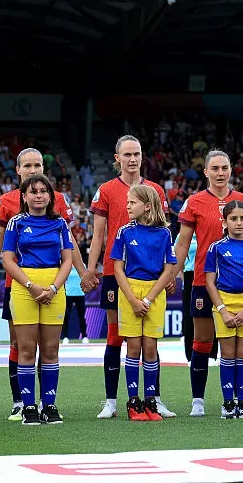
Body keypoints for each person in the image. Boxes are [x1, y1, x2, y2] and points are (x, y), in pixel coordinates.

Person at [0, 147, 89, 422]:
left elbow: (69, 247)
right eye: (27, 165)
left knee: (50, 348)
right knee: (20, 345)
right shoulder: (7, 205)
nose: (33, 170)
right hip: (19, 283)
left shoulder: (59, 209)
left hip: (53, 284)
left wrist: (83, 272)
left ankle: (48, 403)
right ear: (18, 170)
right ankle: (21, 402)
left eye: (38, 165)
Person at [86, 136, 174, 419]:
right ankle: (111, 400)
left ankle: (154, 399)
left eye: (137, 153)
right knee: (116, 336)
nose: (132, 159)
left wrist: (168, 274)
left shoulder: (156, 190)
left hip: (151, 277)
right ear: (117, 158)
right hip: (117, 275)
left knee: (150, 340)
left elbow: (164, 233)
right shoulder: (107, 190)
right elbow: (98, 235)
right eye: (127, 154)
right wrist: (90, 269)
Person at [173, 150, 243, 417]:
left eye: (224, 168)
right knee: (202, 340)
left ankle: (238, 400)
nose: (220, 173)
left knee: (237, 345)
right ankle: (198, 399)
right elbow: (184, 242)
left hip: (240, 285)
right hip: (203, 281)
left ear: (231, 171)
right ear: (206, 172)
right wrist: (172, 274)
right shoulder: (195, 202)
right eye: (215, 168)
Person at [1, 174, 74, 426]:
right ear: (24, 196)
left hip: (54, 289)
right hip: (24, 289)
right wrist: (31, 286)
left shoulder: (61, 224)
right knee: (26, 349)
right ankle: (29, 407)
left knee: (51, 350)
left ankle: (49, 405)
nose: (39, 195)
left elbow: (67, 260)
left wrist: (54, 287)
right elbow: (8, 260)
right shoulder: (15, 223)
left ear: (51, 196)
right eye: (33, 191)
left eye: (44, 191)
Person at [112, 184, 177, 421]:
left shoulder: (164, 233)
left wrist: (149, 298)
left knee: (151, 348)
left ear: (147, 206)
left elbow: (169, 267)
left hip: (154, 292)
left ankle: (151, 401)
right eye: (127, 202)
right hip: (130, 290)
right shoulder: (124, 232)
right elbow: (117, 267)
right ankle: (133, 402)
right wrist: (132, 299)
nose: (127, 206)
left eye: (132, 202)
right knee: (133, 347)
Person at [204, 200, 243, 418]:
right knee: (228, 355)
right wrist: (222, 310)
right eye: (233, 219)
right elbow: (210, 282)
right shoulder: (216, 248)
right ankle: (227, 403)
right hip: (223, 305)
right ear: (225, 221)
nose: (239, 223)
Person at [61, 261, 88, 344]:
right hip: (69, 293)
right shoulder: (66, 265)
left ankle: (84, 336)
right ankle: (65, 337)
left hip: (80, 293)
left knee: (81, 316)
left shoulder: (82, 265)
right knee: (66, 316)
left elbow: (85, 278)